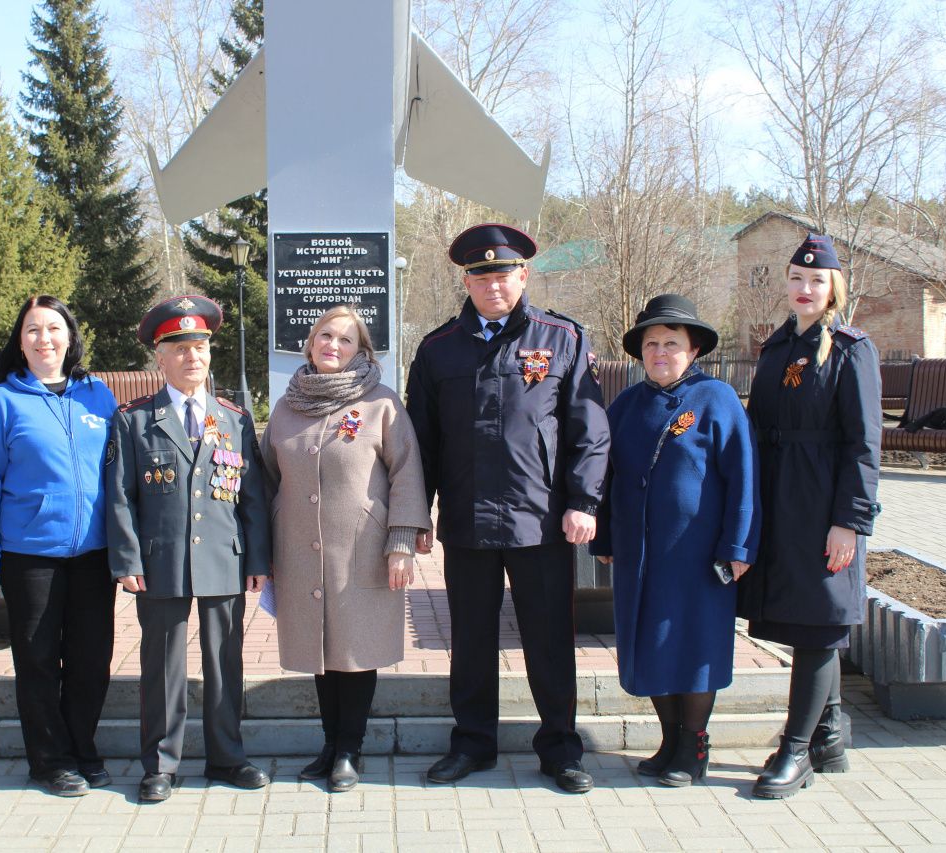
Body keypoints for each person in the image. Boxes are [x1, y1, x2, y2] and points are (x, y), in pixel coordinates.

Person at [405, 224, 610, 793]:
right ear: (465, 280)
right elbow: (421, 442)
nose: (492, 283)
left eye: (502, 273)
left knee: (548, 639)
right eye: (480, 274)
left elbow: (589, 430)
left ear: (523, 275)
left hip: (541, 520)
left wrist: (584, 501)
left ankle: (561, 749)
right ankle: (472, 743)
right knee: (469, 639)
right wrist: (417, 514)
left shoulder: (561, 338)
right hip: (468, 520)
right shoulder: (438, 348)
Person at [588, 294, 759, 787]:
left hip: (698, 555)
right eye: (652, 343)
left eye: (672, 343)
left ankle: (694, 744)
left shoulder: (717, 399)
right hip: (640, 554)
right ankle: (669, 740)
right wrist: (604, 532)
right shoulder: (626, 404)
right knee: (650, 644)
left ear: (694, 349)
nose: (660, 352)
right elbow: (605, 474)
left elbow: (743, 475)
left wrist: (738, 545)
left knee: (695, 645)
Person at [107, 295, 271, 803]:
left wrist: (259, 559)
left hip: (224, 555)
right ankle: (161, 764)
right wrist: (128, 559)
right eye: (178, 348)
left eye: (199, 346)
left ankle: (227, 757)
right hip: (161, 561)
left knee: (226, 661)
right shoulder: (134, 420)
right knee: (162, 666)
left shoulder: (235, 420)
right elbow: (119, 496)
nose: (191, 357)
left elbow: (254, 497)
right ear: (159, 357)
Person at [261, 306, 432, 792]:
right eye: (325, 336)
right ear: (310, 343)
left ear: (362, 351)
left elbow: (407, 474)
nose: (333, 345)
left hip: (363, 549)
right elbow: (267, 476)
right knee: (320, 649)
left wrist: (401, 541)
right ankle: (329, 744)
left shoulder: (381, 404)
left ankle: (349, 750)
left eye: (346, 340)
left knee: (355, 650)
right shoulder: (287, 406)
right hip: (298, 551)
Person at [740, 234, 881, 799]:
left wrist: (850, 519)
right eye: (797, 279)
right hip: (779, 500)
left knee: (821, 622)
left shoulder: (851, 348)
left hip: (824, 504)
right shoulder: (775, 348)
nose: (804, 289)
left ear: (833, 289)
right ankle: (827, 737)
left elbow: (864, 443)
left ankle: (794, 751)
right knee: (804, 617)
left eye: (816, 281)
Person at [0, 295, 119, 797]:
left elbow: (119, 478)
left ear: (71, 337)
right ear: (20, 342)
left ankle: (82, 748)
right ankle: (49, 761)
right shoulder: (1, 402)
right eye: (32, 330)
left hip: (94, 555)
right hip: (30, 555)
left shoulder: (97, 397)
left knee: (91, 660)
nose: (44, 338)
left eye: (53, 328)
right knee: (36, 661)